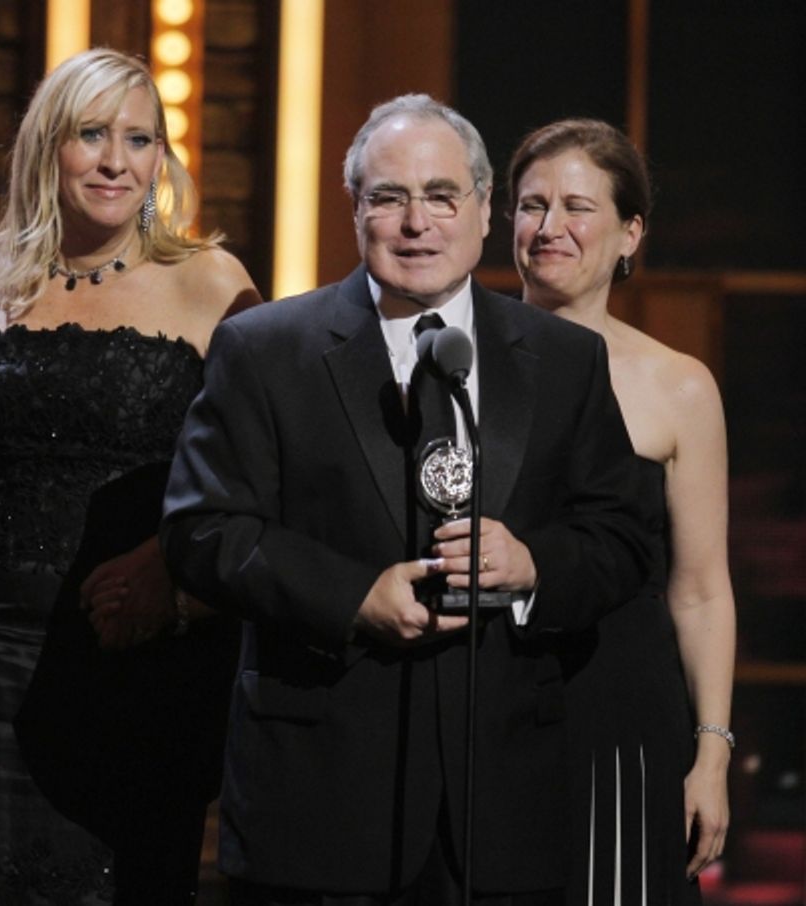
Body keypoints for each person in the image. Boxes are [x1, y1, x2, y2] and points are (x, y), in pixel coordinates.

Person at [161, 93, 655, 904]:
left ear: (484, 209)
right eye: (389, 197)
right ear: (356, 209)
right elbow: (201, 530)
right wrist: (352, 596)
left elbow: (623, 537)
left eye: (440, 195)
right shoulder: (266, 348)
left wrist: (532, 565)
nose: (416, 222)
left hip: (504, 812)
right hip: (320, 805)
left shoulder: (565, 361)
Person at [0, 48, 260, 905]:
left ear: (161, 159)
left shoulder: (211, 286)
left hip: (134, 655)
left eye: (139, 138)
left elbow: (262, 477)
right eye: (92, 133)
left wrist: (170, 569)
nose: (116, 160)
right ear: (49, 146)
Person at [509, 118, 735, 904]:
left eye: (576, 207)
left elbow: (702, 591)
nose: (549, 228)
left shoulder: (679, 385)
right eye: (531, 205)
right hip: (486, 701)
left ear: (630, 231)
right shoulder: (457, 360)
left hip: (620, 712)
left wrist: (710, 755)